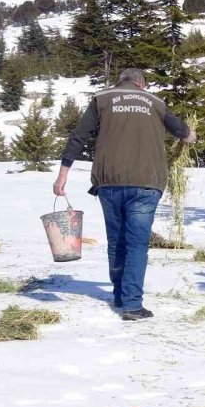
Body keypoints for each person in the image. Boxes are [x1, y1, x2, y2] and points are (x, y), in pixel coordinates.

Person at [53, 68, 195, 321]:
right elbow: (185, 133)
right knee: (137, 244)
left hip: (109, 183)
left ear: (119, 82)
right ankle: (132, 304)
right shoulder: (155, 102)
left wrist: (63, 174)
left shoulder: (103, 98)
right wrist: (188, 137)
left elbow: (79, 136)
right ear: (141, 84)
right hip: (146, 183)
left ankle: (120, 294)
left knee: (116, 241)